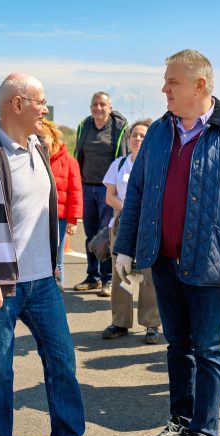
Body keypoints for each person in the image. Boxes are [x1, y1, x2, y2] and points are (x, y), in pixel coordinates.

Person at [113, 50, 220, 436]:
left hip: (212, 262)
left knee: (211, 351)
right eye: (165, 80)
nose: (164, 88)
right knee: (177, 346)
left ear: (200, 85)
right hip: (164, 259)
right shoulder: (159, 131)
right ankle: (180, 424)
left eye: (172, 81)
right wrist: (125, 246)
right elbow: (138, 193)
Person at [0, 73, 112, 436]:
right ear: (16, 104)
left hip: (43, 281)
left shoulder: (38, 146)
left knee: (62, 360)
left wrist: (54, 264)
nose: (45, 109)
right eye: (40, 101)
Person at [101, 118, 161, 344]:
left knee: (149, 274)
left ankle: (151, 323)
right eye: (134, 135)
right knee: (120, 272)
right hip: (122, 223)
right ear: (128, 140)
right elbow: (109, 197)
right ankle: (120, 322)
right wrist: (131, 209)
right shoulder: (118, 164)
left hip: (149, 224)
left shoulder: (156, 164)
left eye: (143, 135)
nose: (138, 139)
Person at [74, 92, 128, 297]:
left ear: (110, 108)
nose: (98, 108)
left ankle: (107, 278)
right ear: (90, 107)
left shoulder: (118, 127)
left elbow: (122, 157)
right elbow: (78, 155)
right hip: (87, 187)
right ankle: (92, 277)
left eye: (102, 104)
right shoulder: (85, 126)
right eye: (95, 104)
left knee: (106, 234)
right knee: (90, 234)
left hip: (108, 189)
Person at [40, 119, 82, 289]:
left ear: (53, 137)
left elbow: (76, 192)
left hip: (59, 219)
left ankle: (57, 293)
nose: (41, 141)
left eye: (43, 137)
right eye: (36, 137)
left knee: (57, 260)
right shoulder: (32, 159)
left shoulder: (69, 162)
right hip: (36, 218)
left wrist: (73, 220)